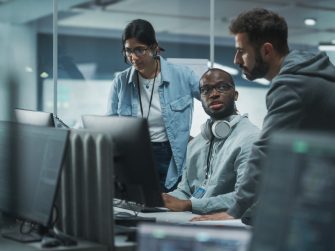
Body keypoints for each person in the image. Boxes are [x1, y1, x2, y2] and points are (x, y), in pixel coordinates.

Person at [190, 8, 335, 222]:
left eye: (242, 51)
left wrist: (235, 210)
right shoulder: (312, 73)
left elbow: (266, 151)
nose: (236, 60)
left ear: (267, 50)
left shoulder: (291, 84)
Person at [106, 19, 201, 193]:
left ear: (154, 47)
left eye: (140, 50)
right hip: (135, 156)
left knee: (168, 208)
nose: (134, 57)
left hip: (170, 156)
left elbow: (215, 101)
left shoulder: (183, 75)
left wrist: (205, 138)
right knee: (137, 206)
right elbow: (110, 125)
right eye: (128, 51)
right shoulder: (120, 82)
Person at [162, 68, 260, 215]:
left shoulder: (251, 138)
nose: (213, 94)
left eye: (222, 87)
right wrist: (161, 200)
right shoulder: (197, 143)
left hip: (228, 226)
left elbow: (245, 198)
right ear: (200, 98)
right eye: (206, 90)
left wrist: (188, 205)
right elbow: (184, 191)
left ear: (235, 95)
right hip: (192, 220)